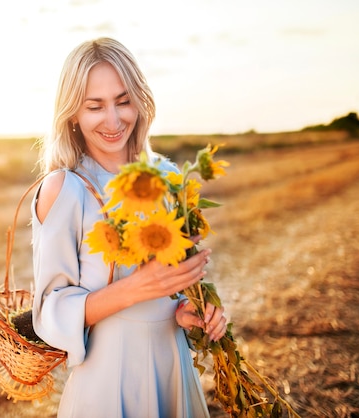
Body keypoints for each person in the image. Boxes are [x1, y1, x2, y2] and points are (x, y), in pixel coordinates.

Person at [30, 37, 228, 417]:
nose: (114, 120)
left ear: (140, 100)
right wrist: (135, 289)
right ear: (72, 113)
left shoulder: (170, 178)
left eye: (123, 101)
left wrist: (189, 311)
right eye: (95, 106)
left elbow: (176, 287)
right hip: (106, 382)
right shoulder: (64, 187)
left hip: (172, 367)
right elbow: (49, 312)